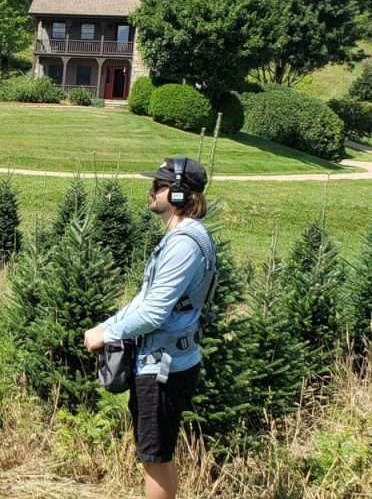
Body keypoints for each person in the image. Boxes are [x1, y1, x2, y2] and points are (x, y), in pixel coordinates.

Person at [84, 157, 216, 499]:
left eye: (158, 185)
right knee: (156, 457)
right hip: (164, 360)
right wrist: (108, 324)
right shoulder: (183, 237)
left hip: (162, 367)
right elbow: (146, 299)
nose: (151, 190)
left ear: (176, 195)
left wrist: (107, 334)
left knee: (155, 459)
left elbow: (154, 312)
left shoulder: (184, 244)